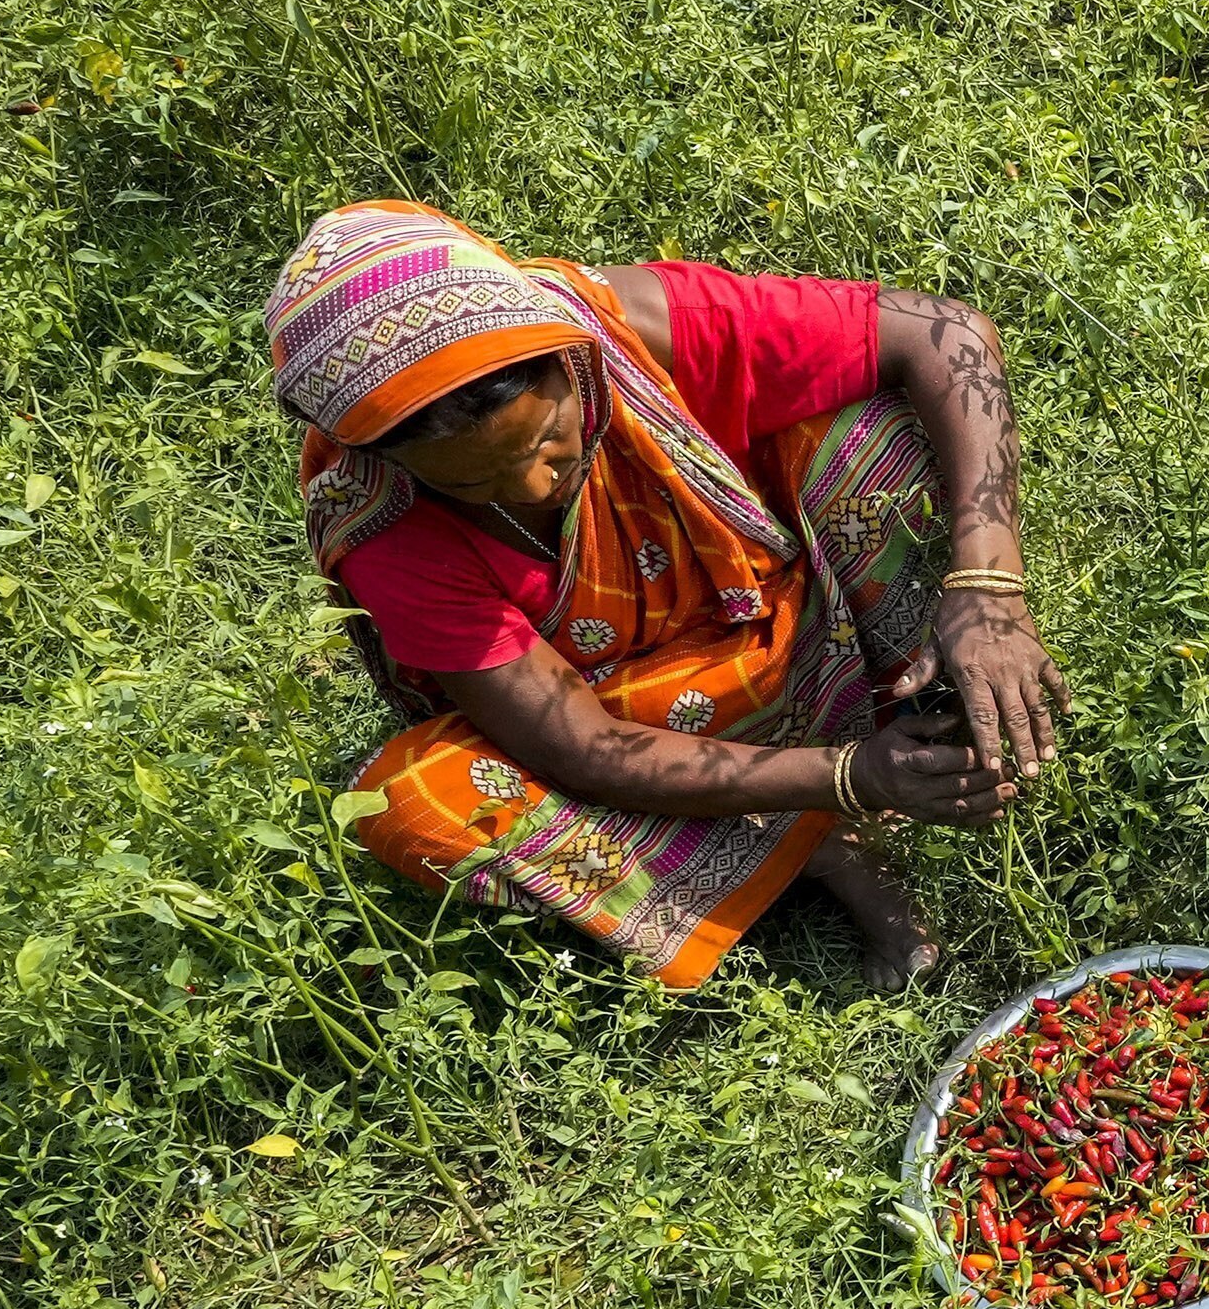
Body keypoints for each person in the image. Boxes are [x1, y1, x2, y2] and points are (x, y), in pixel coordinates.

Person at [259, 204, 1066, 989]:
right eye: (473, 483)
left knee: (870, 443)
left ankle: (942, 719)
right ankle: (822, 843)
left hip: (792, 624)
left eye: (548, 439)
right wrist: (850, 778)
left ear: (567, 357)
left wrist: (988, 585)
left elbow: (945, 332)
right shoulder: (388, 528)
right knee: (414, 801)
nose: (535, 484)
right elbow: (581, 750)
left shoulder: (632, 327)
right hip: (615, 722)